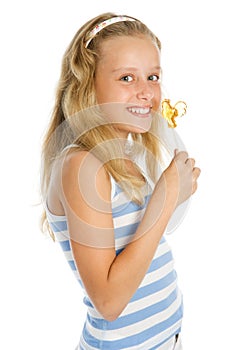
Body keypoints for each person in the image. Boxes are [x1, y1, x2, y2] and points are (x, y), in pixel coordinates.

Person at [40, 12, 201, 350]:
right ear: (88, 85)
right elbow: (110, 302)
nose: (147, 92)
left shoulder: (121, 155)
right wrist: (166, 195)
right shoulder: (83, 164)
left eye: (153, 76)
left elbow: (142, 245)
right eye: (127, 78)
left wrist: (171, 195)